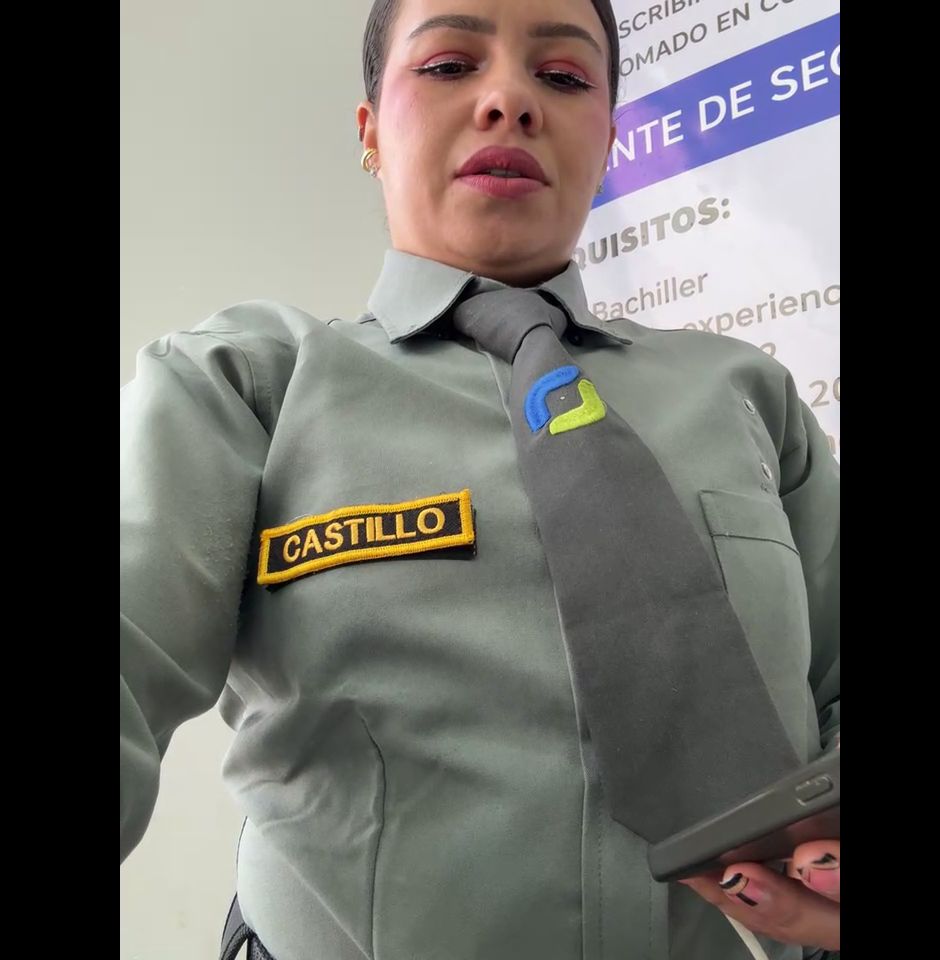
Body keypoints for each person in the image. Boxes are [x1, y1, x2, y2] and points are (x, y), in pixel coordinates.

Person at [120, 1, 840, 957]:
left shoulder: (750, 395)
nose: (510, 100)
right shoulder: (242, 383)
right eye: (449, 65)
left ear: (609, 142)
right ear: (370, 132)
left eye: (565, 78)